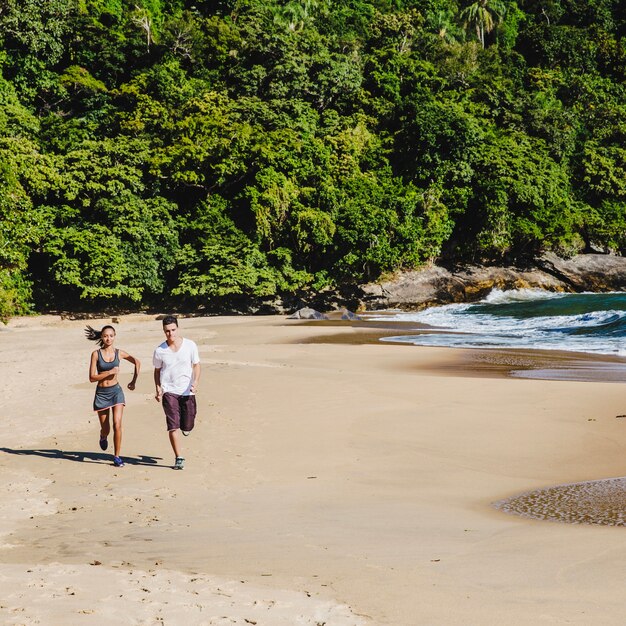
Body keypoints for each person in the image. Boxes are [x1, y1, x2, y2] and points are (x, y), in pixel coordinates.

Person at [86, 324, 140, 467]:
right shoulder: (96, 354)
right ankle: (103, 436)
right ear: (102, 337)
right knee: (106, 428)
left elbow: (137, 362)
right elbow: (92, 377)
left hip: (116, 392)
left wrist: (134, 381)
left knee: (117, 424)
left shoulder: (119, 353)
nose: (108, 338)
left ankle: (117, 456)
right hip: (102, 394)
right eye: (105, 336)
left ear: (114, 337)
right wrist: (109, 372)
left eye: (111, 335)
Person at [153, 315, 201, 470]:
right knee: (173, 425)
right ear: (163, 331)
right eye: (167, 331)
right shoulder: (160, 350)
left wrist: (196, 382)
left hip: (187, 391)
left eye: (173, 330)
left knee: (187, 425)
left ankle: (186, 428)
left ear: (177, 329)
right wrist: (158, 387)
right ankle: (178, 457)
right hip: (169, 391)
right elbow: (157, 370)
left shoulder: (190, 345)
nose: (170, 334)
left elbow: (196, 365)